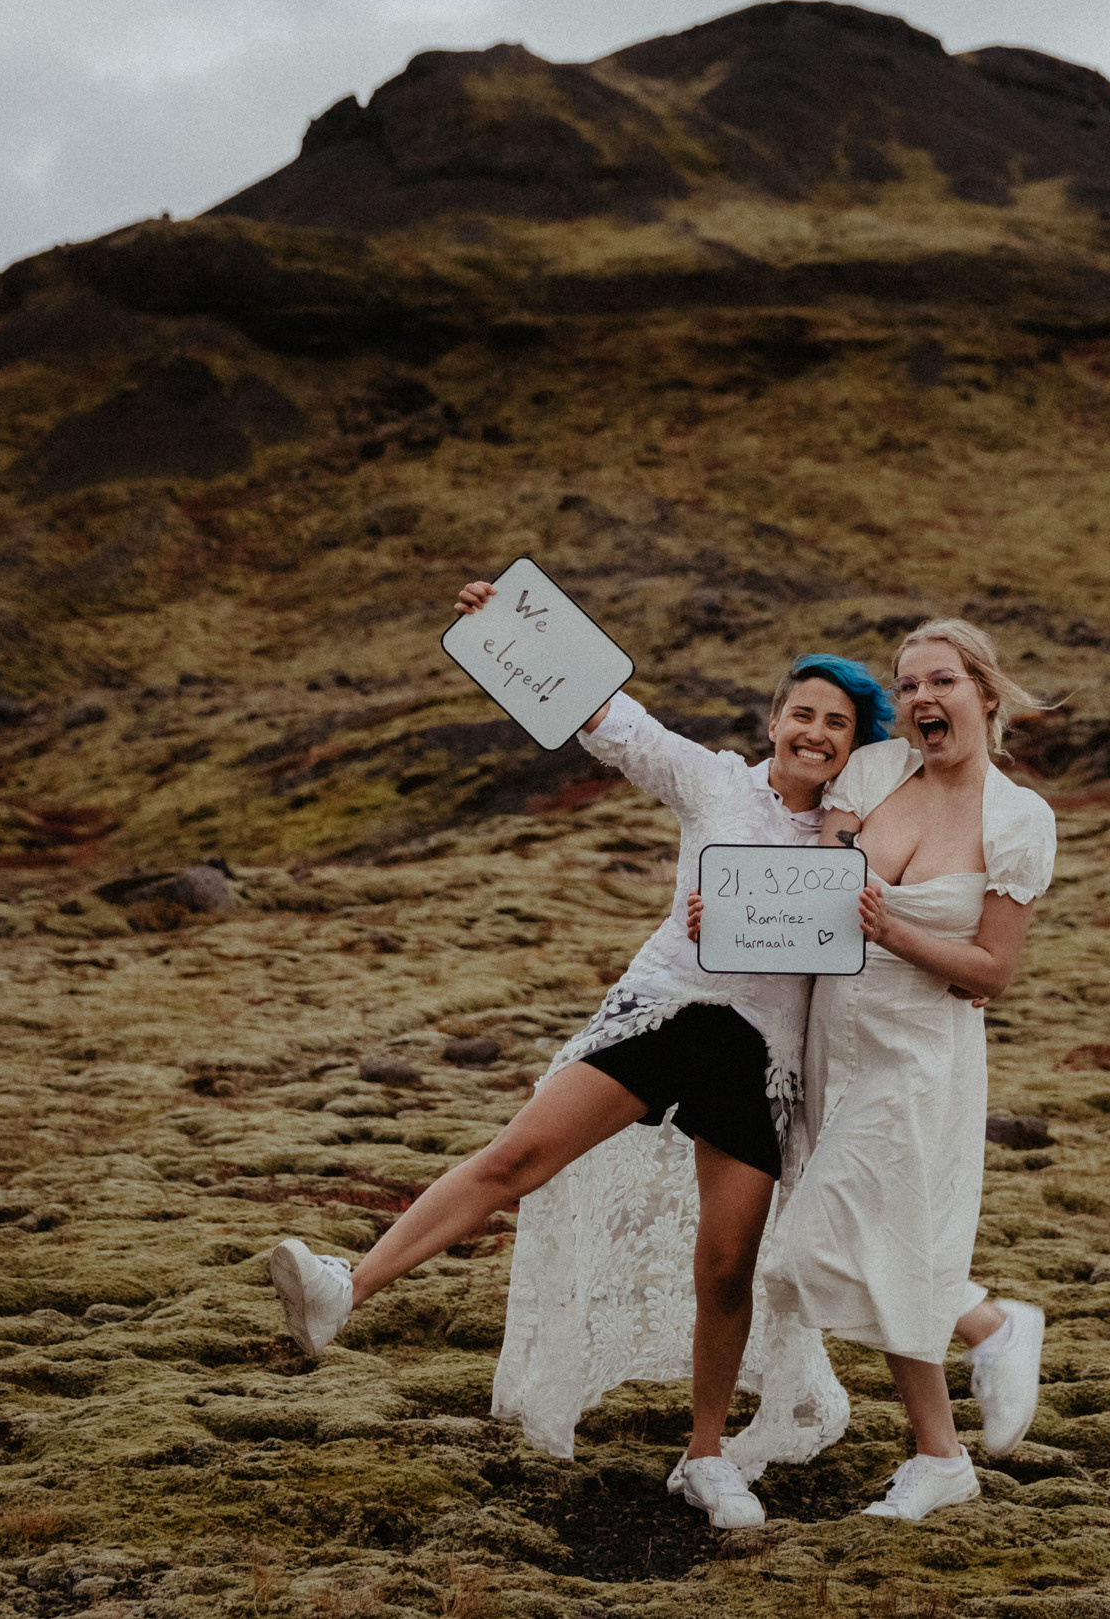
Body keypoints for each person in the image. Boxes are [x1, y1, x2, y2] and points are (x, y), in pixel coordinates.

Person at [267, 576, 893, 1529]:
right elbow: (615, 721)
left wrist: (828, 870)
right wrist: (514, 625)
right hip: (662, 1012)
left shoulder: (867, 833)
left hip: (758, 1055)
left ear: (854, 743)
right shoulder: (713, 779)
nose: (814, 731)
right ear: (773, 720)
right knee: (515, 1158)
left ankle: (706, 1455)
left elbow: (867, 932)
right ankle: (343, 1288)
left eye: (836, 722)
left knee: (727, 1263)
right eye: (801, 711)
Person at [763, 617, 1060, 1521]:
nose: (924, 698)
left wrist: (893, 930)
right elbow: (816, 895)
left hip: (920, 1053)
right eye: (909, 685)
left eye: (944, 681)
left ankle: (985, 1321)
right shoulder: (875, 771)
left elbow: (993, 972)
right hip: (835, 1038)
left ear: (986, 692)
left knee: (815, 1245)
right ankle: (940, 1453)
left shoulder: (1017, 819)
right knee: (883, 1243)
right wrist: (730, 915)